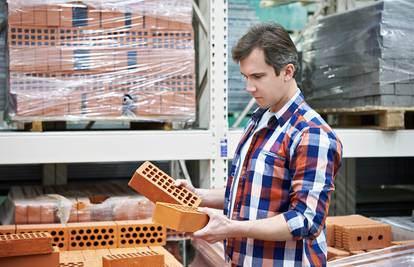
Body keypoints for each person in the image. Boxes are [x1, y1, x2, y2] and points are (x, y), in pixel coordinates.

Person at [175, 23, 343, 267]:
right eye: (245, 77)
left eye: (258, 77)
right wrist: (199, 196)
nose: (249, 87)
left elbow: (305, 220)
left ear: (287, 72)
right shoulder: (261, 118)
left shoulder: (311, 134)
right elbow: (250, 192)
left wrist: (232, 228)